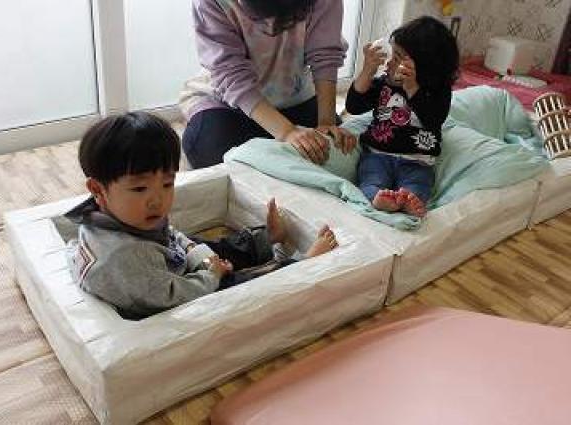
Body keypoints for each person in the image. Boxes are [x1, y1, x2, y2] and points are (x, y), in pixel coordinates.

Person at [60, 112, 338, 320]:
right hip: (171, 292)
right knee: (240, 285)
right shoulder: (121, 259)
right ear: (98, 189)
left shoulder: (122, 216)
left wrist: (199, 254)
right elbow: (173, 296)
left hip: (165, 265)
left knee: (216, 247)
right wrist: (211, 275)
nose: (157, 200)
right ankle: (301, 264)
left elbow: (170, 235)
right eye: (139, 188)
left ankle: (266, 239)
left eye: (167, 184)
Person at [179, 0, 357, 169]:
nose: (271, 30)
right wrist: (287, 132)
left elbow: (325, 54)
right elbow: (230, 73)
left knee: (336, 150)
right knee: (208, 148)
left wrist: (327, 122)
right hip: (227, 102)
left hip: (294, 94)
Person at [345, 16, 459, 217]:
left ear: (424, 65)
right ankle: (377, 197)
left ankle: (408, 201)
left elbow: (433, 120)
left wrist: (412, 88)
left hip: (418, 161)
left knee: (418, 185)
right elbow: (353, 106)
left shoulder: (437, 91)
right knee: (371, 180)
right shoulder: (384, 84)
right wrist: (367, 71)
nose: (389, 62)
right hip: (377, 154)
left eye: (397, 57)